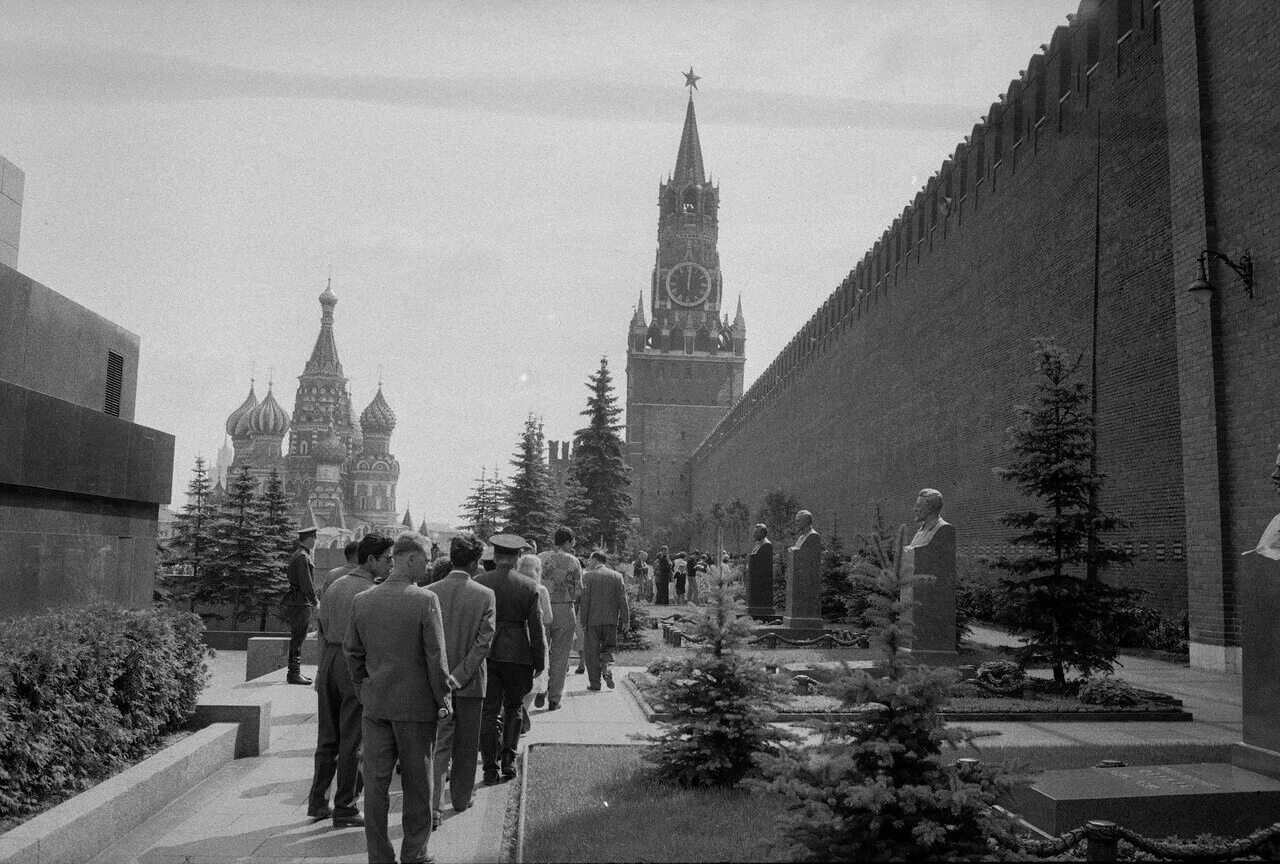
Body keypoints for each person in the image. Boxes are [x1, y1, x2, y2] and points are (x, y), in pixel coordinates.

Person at [345, 531, 452, 864]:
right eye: (426, 560)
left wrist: (364, 688)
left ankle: (379, 857)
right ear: (411, 558)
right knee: (419, 787)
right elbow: (436, 656)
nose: (429, 566)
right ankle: (414, 854)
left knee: (376, 788)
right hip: (416, 710)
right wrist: (443, 699)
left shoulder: (363, 600)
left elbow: (352, 652)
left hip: (375, 707)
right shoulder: (424, 600)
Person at [307, 533, 392, 828]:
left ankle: (318, 801)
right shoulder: (370, 592)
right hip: (352, 663)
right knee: (353, 738)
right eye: (386, 559)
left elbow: (320, 627)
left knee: (327, 735)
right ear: (371, 560)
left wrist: (321, 668)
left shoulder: (335, 584)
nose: (390, 565)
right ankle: (345, 806)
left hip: (329, 658)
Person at [428, 534, 495, 828]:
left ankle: (432, 806)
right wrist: (459, 677)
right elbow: (484, 642)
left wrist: (442, 677)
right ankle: (460, 797)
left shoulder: (429, 592)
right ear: (474, 563)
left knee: (439, 745)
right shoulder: (484, 594)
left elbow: (426, 642)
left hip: (437, 686)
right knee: (467, 745)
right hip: (470, 684)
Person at [476, 533, 545, 783]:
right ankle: (509, 761)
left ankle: (489, 768)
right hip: (518, 653)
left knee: (489, 709)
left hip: (487, 654)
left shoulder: (480, 582)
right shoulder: (529, 586)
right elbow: (536, 628)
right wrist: (539, 661)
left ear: (495, 556)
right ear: (517, 558)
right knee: (514, 706)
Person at [537, 527, 582, 711]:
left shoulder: (540, 558)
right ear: (566, 542)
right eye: (572, 542)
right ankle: (554, 698)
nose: (573, 546)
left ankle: (540, 689)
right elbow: (579, 591)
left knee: (542, 651)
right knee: (561, 656)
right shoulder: (573, 561)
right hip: (564, 609)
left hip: (542, 609)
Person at [578, 551, 629, 691]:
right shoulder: (617, 576)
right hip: (611, 620)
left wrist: (583, 621)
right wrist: (626, 620)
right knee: (608, 649)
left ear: (595, 560)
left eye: (590, 560)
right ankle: (607, 672)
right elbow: (623, 600)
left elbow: (585, 601)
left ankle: (595, 684)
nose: (589, 563)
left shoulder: (587, 576)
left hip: (592, 621)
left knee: (591, 653)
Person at [517, 553, 552, 730]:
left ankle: (517, 709)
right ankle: (524, 708)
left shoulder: (514, 586)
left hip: (518, 635)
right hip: (536, 636)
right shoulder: (541, 589)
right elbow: (549, 618)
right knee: (536, 675)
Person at [283, 527, 319, 685]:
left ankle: (294, 672)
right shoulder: (302, 557)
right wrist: (315, 601)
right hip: (300, 601)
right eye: (314, 538)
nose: (315, 542)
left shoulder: (299, 555)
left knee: (298, 636)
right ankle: (293, 673)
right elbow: (306, 582)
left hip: (297, 599)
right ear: (309, 538)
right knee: (298, 636)